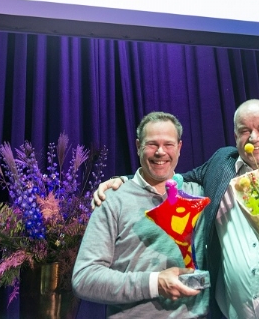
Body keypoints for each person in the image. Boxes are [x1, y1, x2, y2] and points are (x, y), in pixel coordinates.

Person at [94, 99, 259, 318]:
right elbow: (172, 180)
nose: (253, 137)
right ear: (235, 137)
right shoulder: (220, 165)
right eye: (244, 130)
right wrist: (126, 181)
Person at [72, 111, 209, 318]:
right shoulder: (112, 200)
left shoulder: (198, 193)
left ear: (179, 148)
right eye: (152, 144)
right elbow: (84, 278)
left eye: (168, 144)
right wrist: (154, 283)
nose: (160, 152)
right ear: (138, 146)